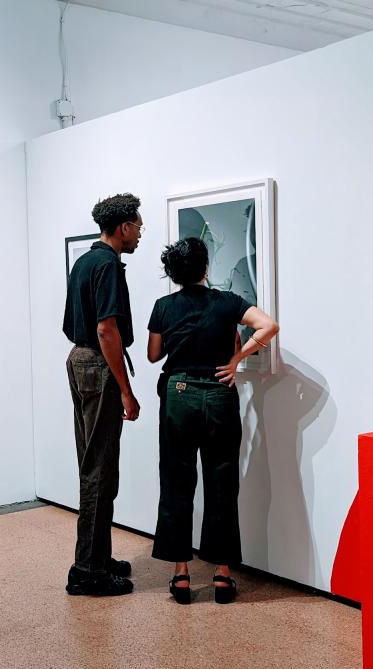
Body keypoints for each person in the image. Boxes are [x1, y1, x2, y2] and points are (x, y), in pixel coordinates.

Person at [146, 237, 279, 604]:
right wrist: (237, 360)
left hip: (179, 395)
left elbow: (154, 355)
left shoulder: (163, 306)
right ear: (205, 268)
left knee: (176, 480)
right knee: (222, 482)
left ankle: (181, 575)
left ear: (174, 273)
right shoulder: (228, 302)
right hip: (219, 395)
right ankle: (222, 576)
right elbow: (268, 326)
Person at [61, 193, 144, 596]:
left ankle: (97, 556)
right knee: (100, 468)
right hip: (98, 364)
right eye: (138, 227)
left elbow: (71, 325)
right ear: (124, 227)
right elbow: (106, 330)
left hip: (79, 361)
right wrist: (126, 390)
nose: (140, 233)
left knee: (94, 463)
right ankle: (88, 571)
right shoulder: (108, 265)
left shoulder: (85, 261)